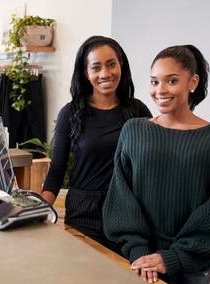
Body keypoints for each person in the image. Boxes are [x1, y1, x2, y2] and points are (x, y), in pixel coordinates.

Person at [102, 44, 210, 284]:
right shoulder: (133, 130)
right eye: (154, 81)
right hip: (139, 258)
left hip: (192, 262)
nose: (160, 90)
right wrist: (139, 250)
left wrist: (173, 257)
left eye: (171, 81)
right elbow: (121, 195)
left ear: (193, 82)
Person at [41, 35, 152, 250]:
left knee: (124, 280)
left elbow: (153, 164)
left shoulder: (138, 112)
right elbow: (56, 171)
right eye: (96, 67)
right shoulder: (71, 113)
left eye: (111, 64)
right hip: (84, 213)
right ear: (86, 72)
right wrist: (35, 211)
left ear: (121, 64)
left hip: (127, 212)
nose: (105, 74)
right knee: (84, 278)